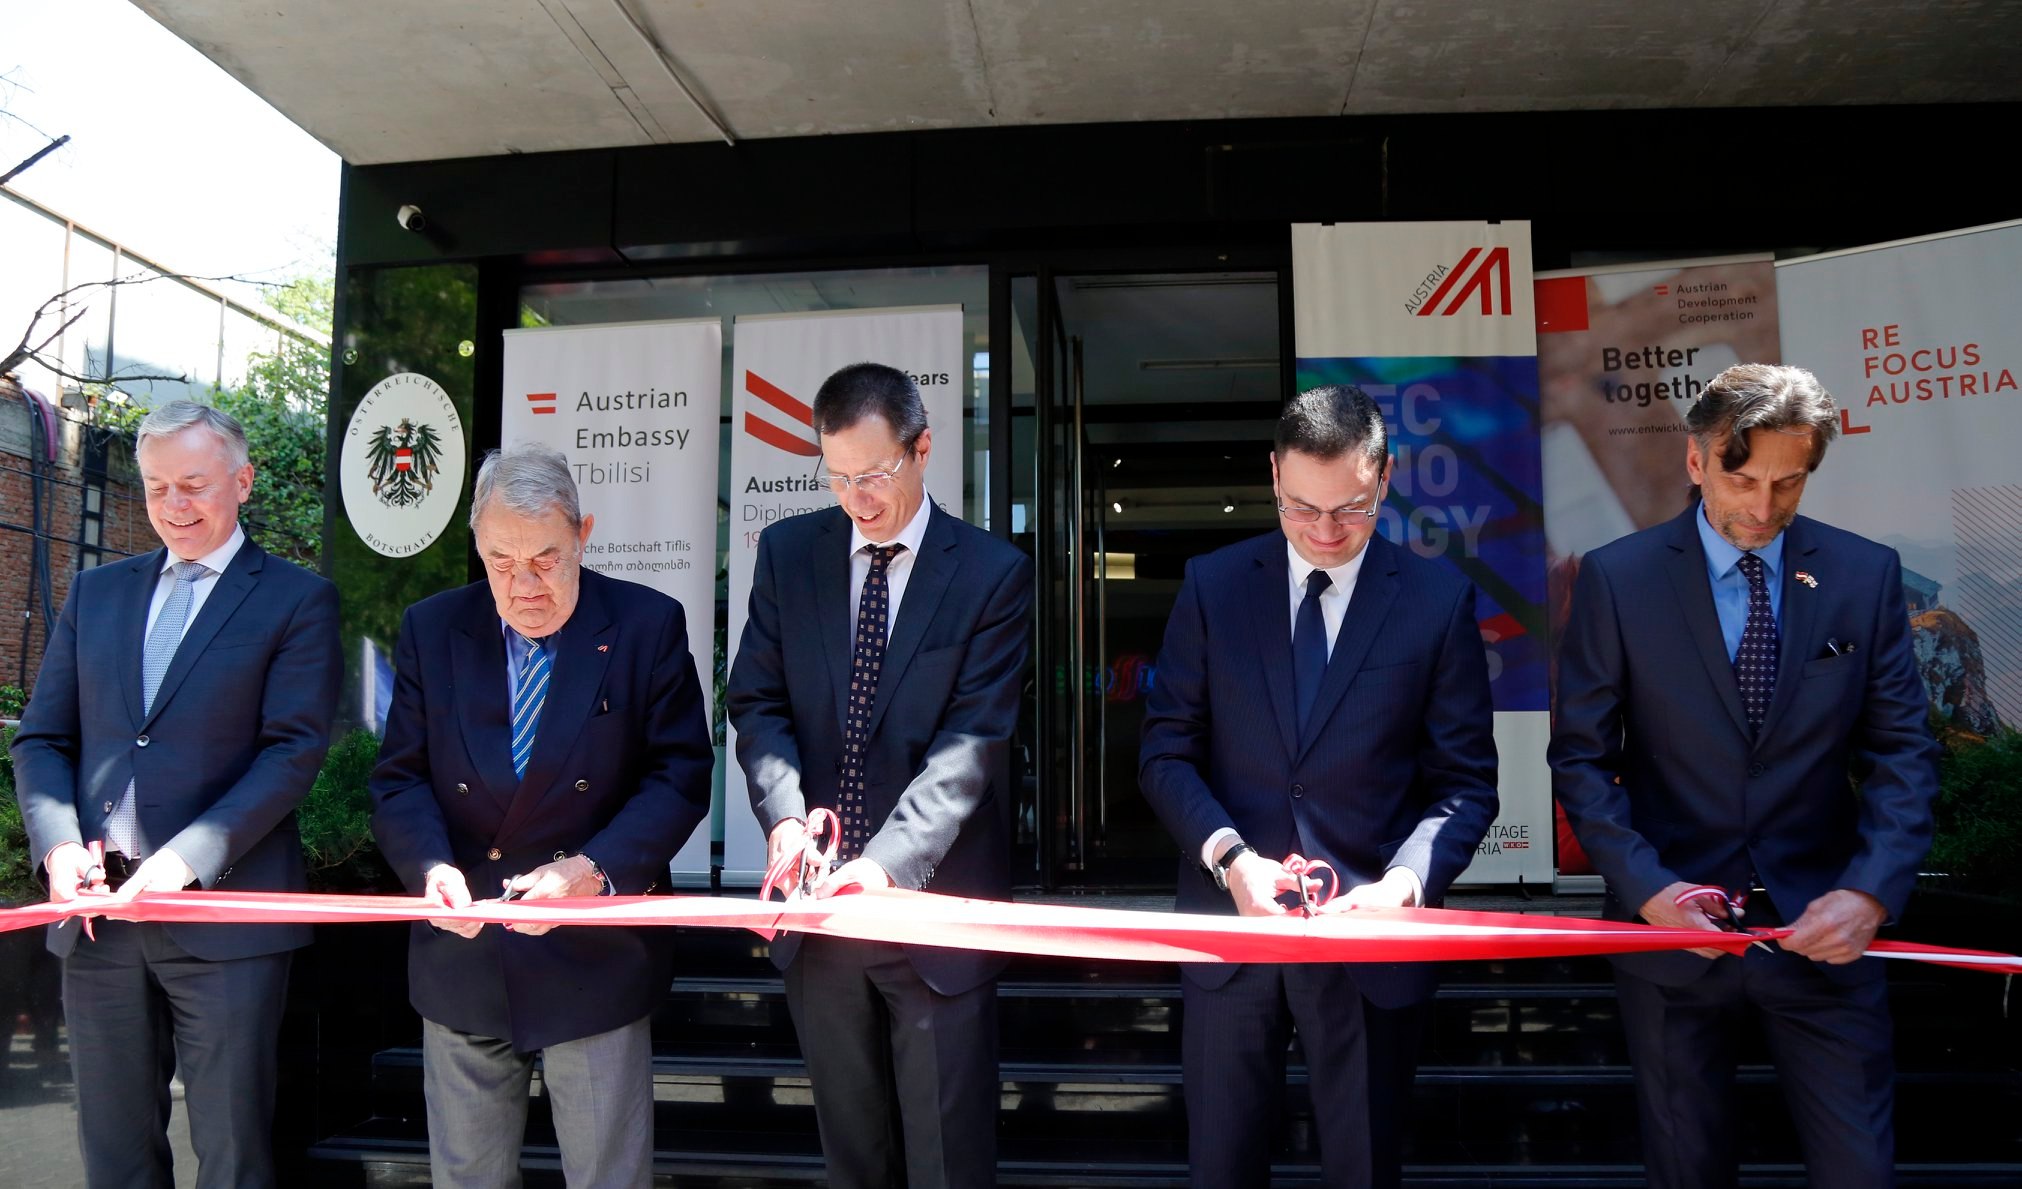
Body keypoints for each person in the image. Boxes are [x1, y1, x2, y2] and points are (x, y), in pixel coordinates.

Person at [1551, 363, 1939, 1189]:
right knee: (1687, 1171)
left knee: (1860, 1172)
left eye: (1787, 482)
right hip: (1671, 939)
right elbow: (1582, 759)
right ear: (1696, 460)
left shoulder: (1863, 573)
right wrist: (1648, 888)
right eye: (1743, 478)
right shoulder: (1618, 579)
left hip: (1827, 932)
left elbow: (1904, 752)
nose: (1763, 507)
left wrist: (1869, 893)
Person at [1139, 384, 1500, 1189]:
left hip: (1372, 944)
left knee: (1365, 1169)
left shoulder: (1437, 602)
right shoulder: (1214, 587)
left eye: (1352, 509)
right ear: (1274, 475)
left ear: (1386, 477)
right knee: (1221, 1170)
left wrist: (1404, 885)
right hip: (1231, 936)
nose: (1327, 531)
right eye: (1302, 508)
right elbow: (1165, 754)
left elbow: (1466, 785)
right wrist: (1231, 859)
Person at [11, 399, 342, 1187]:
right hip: (99, 922)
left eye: (193, 483)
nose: (174, 504)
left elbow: (292, 753)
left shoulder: (297, 599)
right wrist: (58, 848)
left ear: (243, 481)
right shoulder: (98, 593)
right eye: (157, 487)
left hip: (227, 919)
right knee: (115, 1157)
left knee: (233, 1155)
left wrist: (186, 859)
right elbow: (42, 739)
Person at [369, 444, 713, 1188]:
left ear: (583, 534)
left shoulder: (646, 624)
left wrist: (595, 869)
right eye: (501, 561)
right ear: (477, 546)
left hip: (594, 959)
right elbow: (400, 779)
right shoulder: (434, 627)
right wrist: (430, 868)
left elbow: (680, 775)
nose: (524, 585)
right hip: (464, 955)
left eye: (545, 560)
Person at [727, 361, 1032, 1189]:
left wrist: (883, 866)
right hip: (820, 923)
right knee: (853, 1163)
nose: (856, 498)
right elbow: (757, 702)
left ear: (922, 448)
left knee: (946, 1166)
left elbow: (971, 745)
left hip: (935, 921)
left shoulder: (990, 574)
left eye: (874, 474)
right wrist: (787, 820)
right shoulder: (790, 554)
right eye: (837, 477)